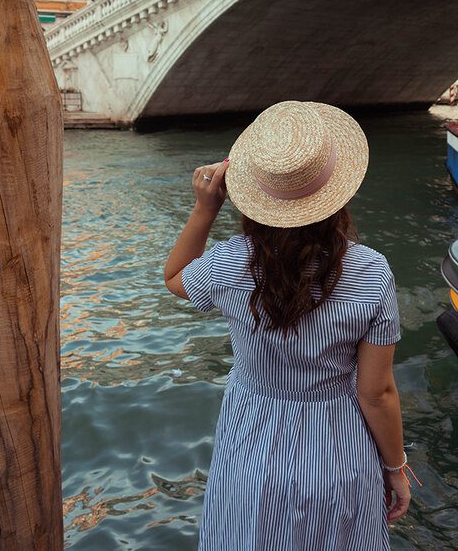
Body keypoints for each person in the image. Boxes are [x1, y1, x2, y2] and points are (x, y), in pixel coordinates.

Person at [164, 101, 410, 550]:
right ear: (337, 194)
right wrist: (394, 469)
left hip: (251, 444)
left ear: (253, 196)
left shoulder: (229, 264)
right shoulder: (373, 273)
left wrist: (204, 209)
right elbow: (376, 394)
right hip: (340, 448)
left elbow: (174, 278)